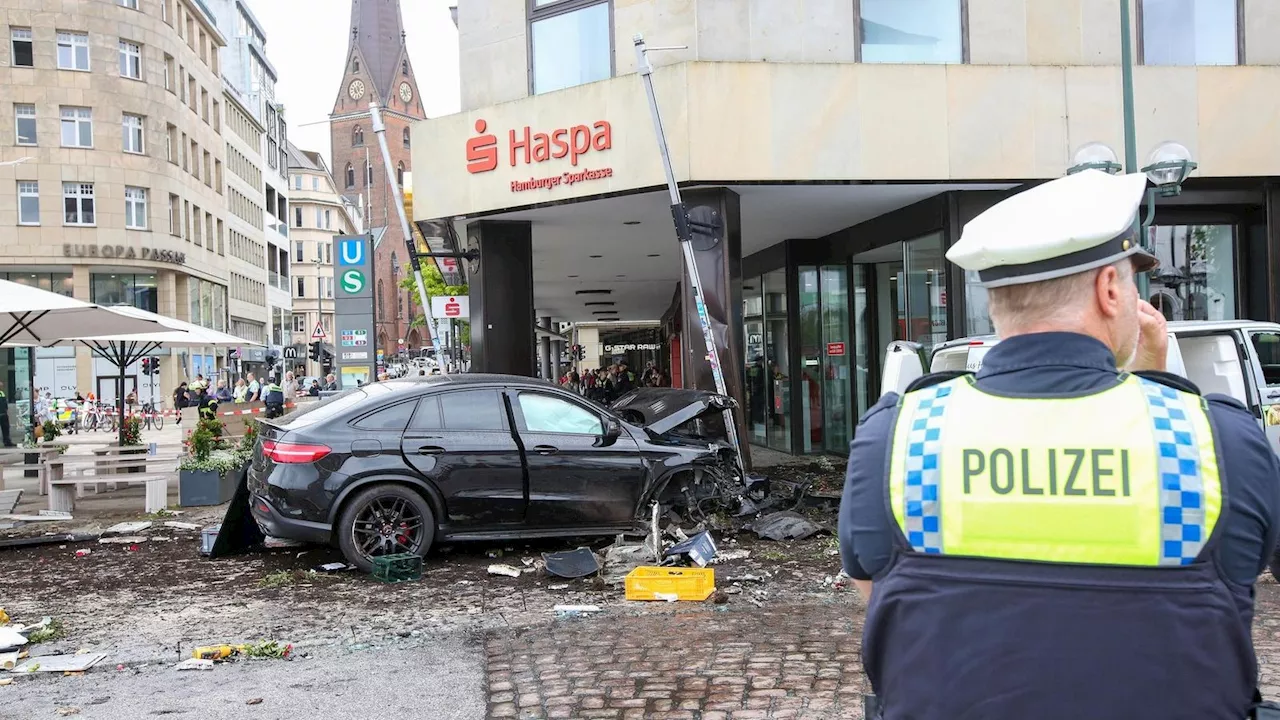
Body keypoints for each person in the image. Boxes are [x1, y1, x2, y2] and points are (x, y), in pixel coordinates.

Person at [839, 170, 1280, 719]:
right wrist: (1158, 387)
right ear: (1110, 289)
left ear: (996, 300)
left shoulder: (899, 437)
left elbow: (877, 590)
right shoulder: (1216, 441)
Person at [0, 381, 11, 447]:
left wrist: (6, 412)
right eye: (1, 386)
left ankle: (7, 442)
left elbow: (5, 404)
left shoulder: (2, 393)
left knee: (6, 429)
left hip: (3, 414)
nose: (2, 387)